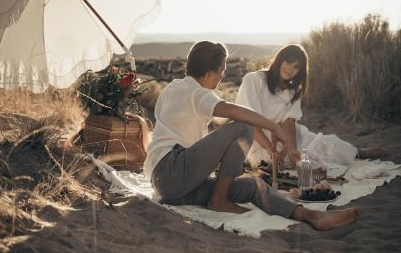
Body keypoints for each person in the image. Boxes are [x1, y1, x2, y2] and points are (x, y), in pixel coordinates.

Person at [143, 41, 358, 231]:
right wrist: (274, 127)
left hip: (178, 187)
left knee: (252, 185)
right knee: (243, 127)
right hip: (171, 171)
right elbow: (234, 113)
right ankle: (219, 200)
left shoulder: (173, 89)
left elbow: (208, 133)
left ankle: (311, 216)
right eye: (221, 72)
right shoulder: (195, 93)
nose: (222, 77)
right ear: (209, 73)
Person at [235, 44, 386, 169]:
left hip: (287, 136)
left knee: (323, 145)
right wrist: (270, 149)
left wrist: (292, 148)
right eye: (288, 62)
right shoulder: (254, 79)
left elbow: (289, 122)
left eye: (296, 67)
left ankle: (357, 152)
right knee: (273, 164)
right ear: (280, 60)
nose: (290, 69)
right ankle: (277, 156)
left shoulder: (293, 90)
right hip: (257, 137)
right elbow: (249, 120)